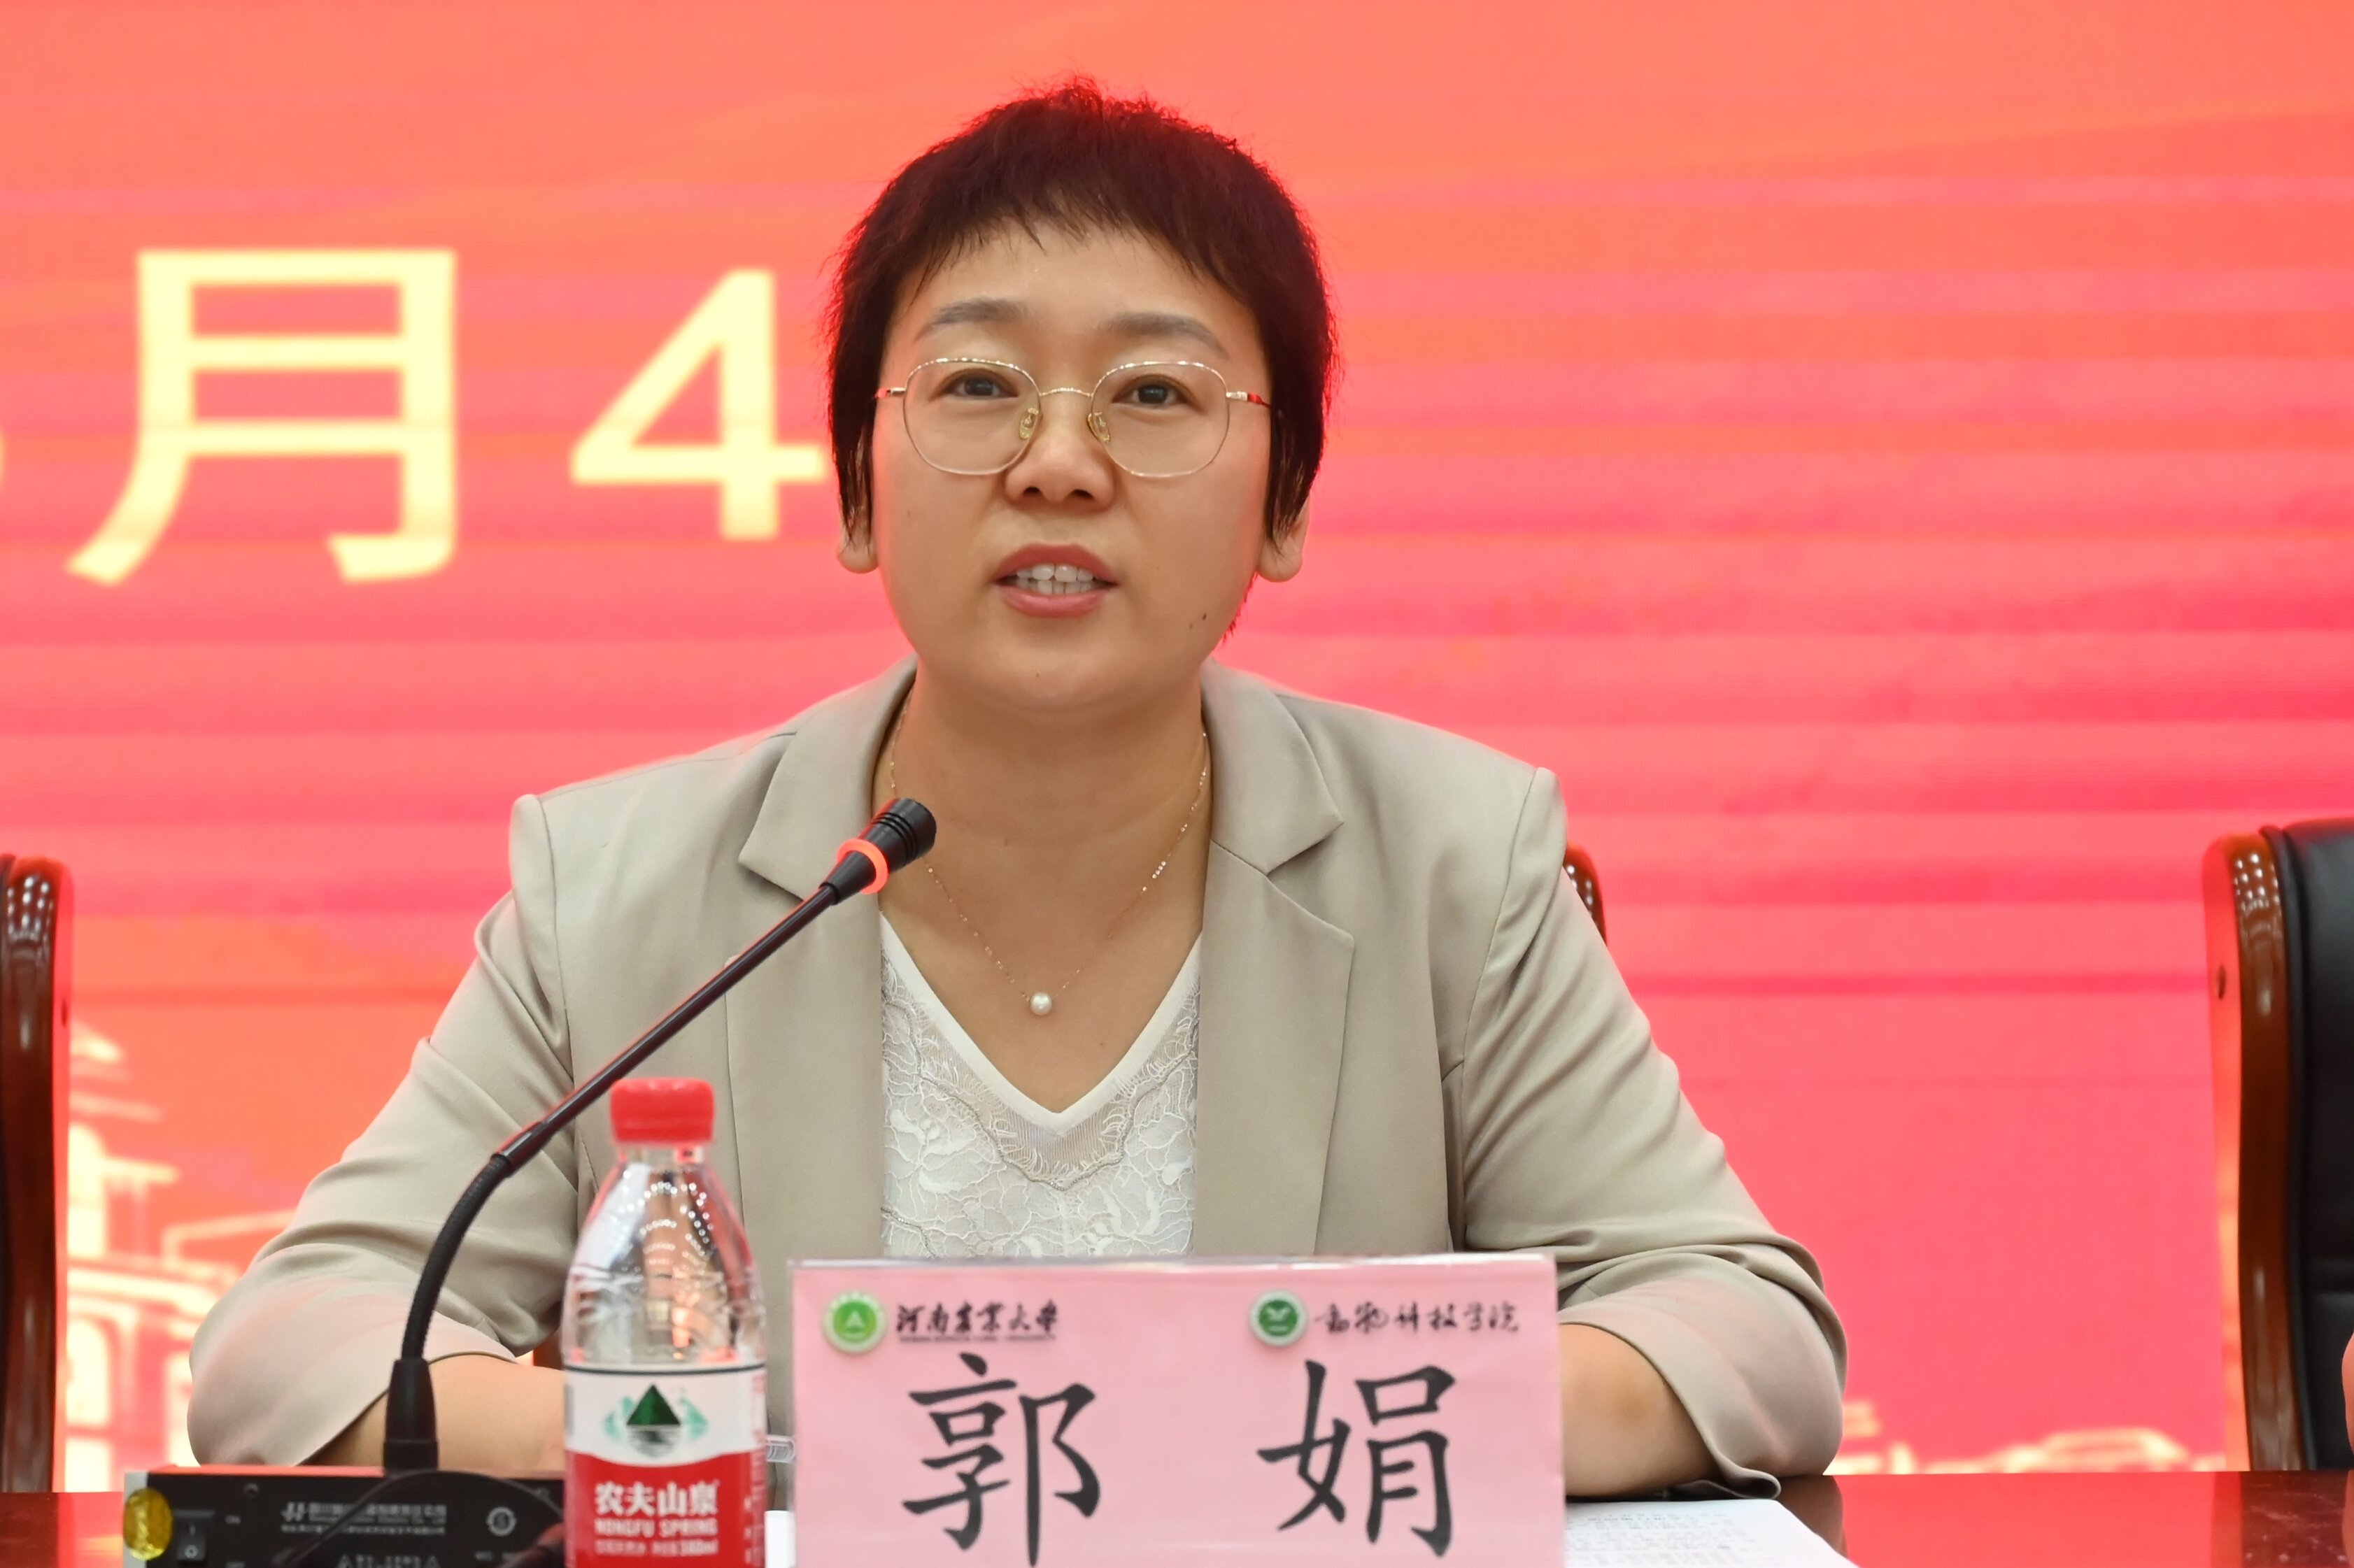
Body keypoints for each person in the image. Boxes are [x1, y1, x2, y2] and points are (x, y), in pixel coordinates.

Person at [188, 80, 1843, 1497]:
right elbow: (296, 1347)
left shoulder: (1452, 864)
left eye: (1155, 393)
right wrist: (768, 1450)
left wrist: (1248, 1430)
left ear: (1282, 505)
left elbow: (1743, 1329)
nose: (1059, 462)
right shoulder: (622, 885)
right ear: (858, 491)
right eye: (979, 385)